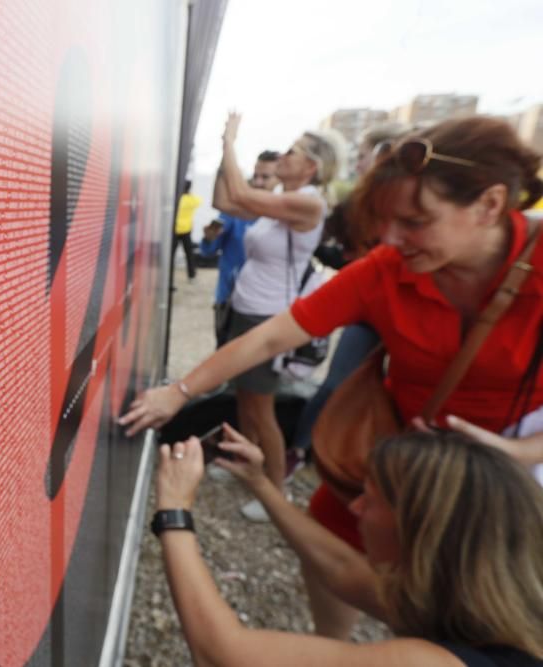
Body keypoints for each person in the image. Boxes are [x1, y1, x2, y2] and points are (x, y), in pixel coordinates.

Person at [121, 115, 543, 637]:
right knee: (334, 538)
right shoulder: (388, 268)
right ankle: (334, 645)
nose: (391, 238)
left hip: (502, 474)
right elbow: (273, 336)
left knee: (463, 609)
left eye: (414, 221)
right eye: (386, 221)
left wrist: (522, 454)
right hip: (397, 451)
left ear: (490, 205)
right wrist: (179, 391)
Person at [154, 426, 543, 666]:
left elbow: (222, 654)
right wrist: (259, 483)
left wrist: (174, 508)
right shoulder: (493, 599)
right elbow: (341, 569)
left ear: (421, 535)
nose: (355, 508)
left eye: (370, 499)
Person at [203, 112, 344, 522]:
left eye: (294, 151)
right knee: (245, 400)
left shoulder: (307, 203)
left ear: (311, 167)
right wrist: (220, 156)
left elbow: (244, 197)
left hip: (268, 319)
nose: (284, 155)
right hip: (246, 311)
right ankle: (249, 467)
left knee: (262, 410)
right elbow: (225, 202)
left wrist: (230, 142)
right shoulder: (280, 202)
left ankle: (276, 493)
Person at [289, 123, 412, 468]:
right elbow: (344, 255)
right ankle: (300, 452)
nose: (359, 165)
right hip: (370, 314)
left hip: (404, 311)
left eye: (364, 157)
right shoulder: (353, 205)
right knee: (337, 385)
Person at [203, 150, 280, 346]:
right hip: (230, 301)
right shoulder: (236, 212)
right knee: (225, 356)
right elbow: (208, 251)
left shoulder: (287, 218)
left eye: (266, 177)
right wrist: (210, 238)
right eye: (255, 176)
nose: (258, 182)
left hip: (267, 306)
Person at [173, 180, 202, 280]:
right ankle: (191, 275)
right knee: (189, 254)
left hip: (175, 230)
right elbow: (199, 201)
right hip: (186, 230)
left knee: (171, 255)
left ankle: (169, 275)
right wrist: (190, 194)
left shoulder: (177, 199)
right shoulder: (191, 200)